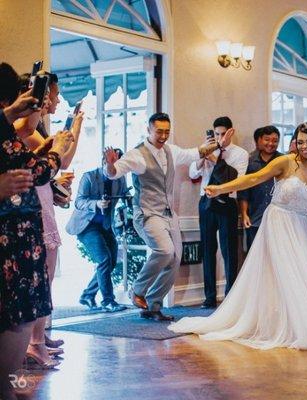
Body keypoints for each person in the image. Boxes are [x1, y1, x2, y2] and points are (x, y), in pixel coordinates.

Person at [169, 122, 307, 350]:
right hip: (279, 222)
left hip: (303, 226)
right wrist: (221, 188)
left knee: (304, 273)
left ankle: (300, 322)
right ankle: (286, 325)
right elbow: (253, 178)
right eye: (300, 141)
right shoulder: (286, 162)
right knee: (286, 272)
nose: (304, 146)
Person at [0, 81, 72, 399]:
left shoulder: (11, 128)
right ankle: (12, 380)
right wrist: (58, 150)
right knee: (19, 313)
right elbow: (34, 171)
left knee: (22, 312)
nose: (48, 103)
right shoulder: (11, 135)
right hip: (13, 234)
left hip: (20, 226)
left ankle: (14, 379)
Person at [104, 112, 201, 321]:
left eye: (167, 131)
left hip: (169, 214)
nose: (164, 135)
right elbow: (114, 172)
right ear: (149, 130)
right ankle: (137, 290)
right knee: (165, 251)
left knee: (175, 259)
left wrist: (217, 145)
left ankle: (153, 306)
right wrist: (110, 165)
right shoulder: (137, 155)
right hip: (148, 213)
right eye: (159, 131)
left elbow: (195, 153)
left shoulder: (171, 151)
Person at [189, 116, 248, 309]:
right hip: (206, 202)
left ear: (231, 132)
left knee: (229, 250)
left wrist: (215, 158)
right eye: (217, 134)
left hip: (227, 203)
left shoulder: (240, 154)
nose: (220, 137)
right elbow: (192, 173)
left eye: (223, 134)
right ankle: (209, 297)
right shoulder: (207, 148)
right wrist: (203, 157)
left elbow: (234, 178)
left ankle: (230, 296)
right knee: (207, 250)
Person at [66, 149, 128, 312]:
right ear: (104, 162)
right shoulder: (89, 177)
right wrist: (96, 204)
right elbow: (79, 202)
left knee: (111, 261)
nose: (115, 168)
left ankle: (87, 295)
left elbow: (127, 198)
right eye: (112, 163)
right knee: (103, 260)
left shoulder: (120, 179)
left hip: (105, 226)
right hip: (86, 225)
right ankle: (108, 301)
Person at [238, 125, 282, 249]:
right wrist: (244, 214)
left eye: (275, 140)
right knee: (255, 257)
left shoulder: (283, 160)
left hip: (278, 221)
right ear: (260, 140)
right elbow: (244, 191)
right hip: (255, 219)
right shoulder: (250, 161)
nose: (271, 143)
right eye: (267, 139)